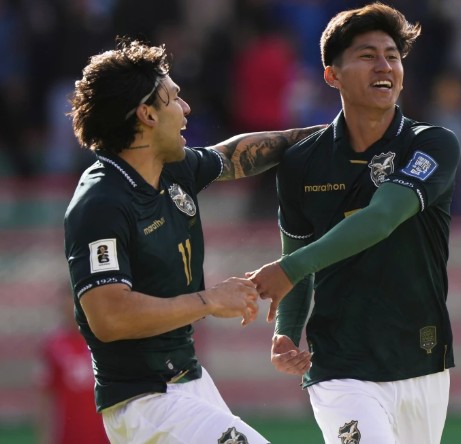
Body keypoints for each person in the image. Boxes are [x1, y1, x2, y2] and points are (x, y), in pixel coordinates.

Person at [63, 38, 322, 444]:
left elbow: (233, 156)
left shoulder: (172, 170)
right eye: (174, 98)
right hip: (145, 401)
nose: (185, 109)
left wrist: (330, 137)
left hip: (189, 383)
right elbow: (108, 317)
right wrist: (210, 300)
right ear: (147, 114)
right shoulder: (101, 201)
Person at [248, 3, 460, 443]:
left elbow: (381, 218)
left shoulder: (432, 145)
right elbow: (297, 258)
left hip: (421, 358)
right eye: (367, 55)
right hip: (339, 366)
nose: (384, 66)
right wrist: (286, 333)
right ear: (333, 75)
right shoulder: (302, 163)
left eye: (392, 56)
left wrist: (289, 269)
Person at [37, 290, 109, 444]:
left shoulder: (104, 340)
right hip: (68, 434)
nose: (73, 315)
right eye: (67, 308)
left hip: (105, 432)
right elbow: (46, 395)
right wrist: (45, 435)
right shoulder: (53, 344)